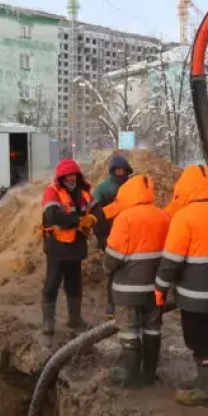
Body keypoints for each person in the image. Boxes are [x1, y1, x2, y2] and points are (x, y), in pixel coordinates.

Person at [155, 164, 208, 408]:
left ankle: (206, 390)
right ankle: (205, 380)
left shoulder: (184, 217)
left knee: (198, 339)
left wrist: (160, 288)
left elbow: (171, 261)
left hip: (194, 295)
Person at [102, 174, 170, 388]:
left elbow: (113, 258)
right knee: (152, 328)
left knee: (129, 330)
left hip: (127, 289)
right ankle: (149, 373)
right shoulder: (163, 216)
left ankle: (131, 376)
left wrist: (107, 268)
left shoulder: (125, 218)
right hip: (156, 288)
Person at [40, 158, 96, 336]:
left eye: (74, 174)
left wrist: (93, 218)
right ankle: (48, 322)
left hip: (76, 246)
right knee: (52, 283)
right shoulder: (52, 191)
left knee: (74, 283)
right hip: (57, 246)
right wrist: (78, 221)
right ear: (61, 176)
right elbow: (52, 215)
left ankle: (75, 319)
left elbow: (97, 210)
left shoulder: (85, 192)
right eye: (67, 175)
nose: (71, 178)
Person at [91, 154, 133, 317]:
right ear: (112, 171)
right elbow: (95, 213)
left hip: (131, 235)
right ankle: (111, 303)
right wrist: (101, 236)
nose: (120, 173)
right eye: (117, 170)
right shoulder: (103, 189)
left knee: (131, 269)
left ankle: (128, 302)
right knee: (113, 269)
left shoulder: (132, 186)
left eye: (123, 170)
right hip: (110, 235)